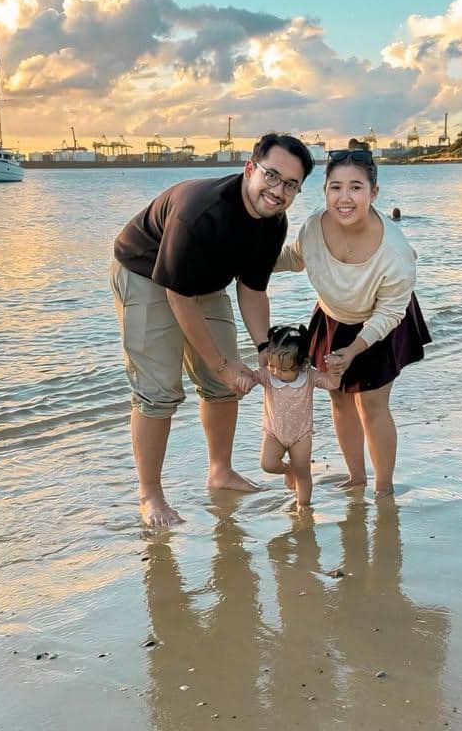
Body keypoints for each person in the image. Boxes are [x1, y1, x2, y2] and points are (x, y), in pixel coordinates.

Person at [111, 132, 314, 527]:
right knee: (158, 390)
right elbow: (178, 297)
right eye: (272, 176)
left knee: (225, 385)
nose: (278, 191)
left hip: (204, 282)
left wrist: (263, 349)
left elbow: (252, 289)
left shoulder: (274, 223)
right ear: (250, 169)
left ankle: (220, 471)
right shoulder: (200, 212)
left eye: (291, 185)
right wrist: (221, 364)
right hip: (145, 274)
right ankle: (150, 494)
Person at [275, 146, 430, 497]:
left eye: (355, 187)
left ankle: (383, 487)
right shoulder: (314, 226)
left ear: (373, 193)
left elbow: (390, 313)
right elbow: (295, 257)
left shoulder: (396, 252)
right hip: (333, 317)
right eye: (336, 187)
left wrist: (355, 349)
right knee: (339, 398)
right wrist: (246, 261)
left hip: (380, 322)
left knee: (371, 404)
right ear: (324, 190)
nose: (344, 198)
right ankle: (356, 477)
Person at [251, 323, 343, 507]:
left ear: (302, 364)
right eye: (272, 365)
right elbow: (249, 377)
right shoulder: (267, 376)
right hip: (273, 433)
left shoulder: (309, 377)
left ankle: (303, 505)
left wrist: (335, 371)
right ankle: (288, 470)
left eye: (284, 369)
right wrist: (242, 380)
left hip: (301, 435)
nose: (276, 372)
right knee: (268, 464)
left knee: (303, 472)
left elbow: (332, 384)